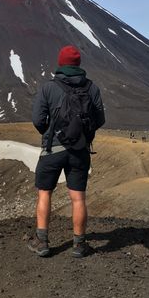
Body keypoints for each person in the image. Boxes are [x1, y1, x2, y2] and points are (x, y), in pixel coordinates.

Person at [29, 45, 105, 258]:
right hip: (80, 150)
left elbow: (37, 119)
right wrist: (81, 135)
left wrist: (49, 134)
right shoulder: (92, 88)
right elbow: (100, 119)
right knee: (78, 198)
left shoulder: (49, 88)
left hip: (53, 149)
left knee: (45, 193)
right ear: (78, 64)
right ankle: (79, 245)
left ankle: (42, 242)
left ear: (60, 63)